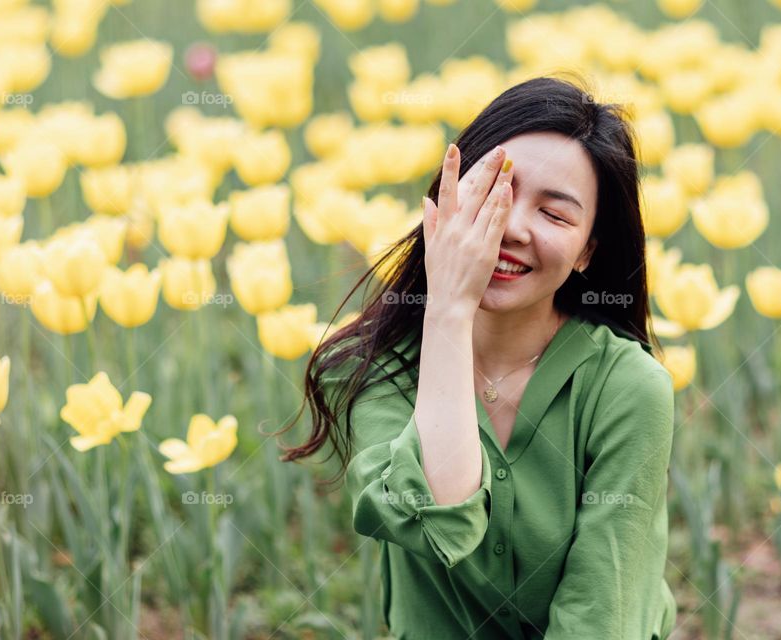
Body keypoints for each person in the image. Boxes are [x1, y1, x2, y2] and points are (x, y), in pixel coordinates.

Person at [278, 76, 677, 639]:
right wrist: (447, 310)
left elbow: (600, 610)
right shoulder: (378, 370)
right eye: (495, 193)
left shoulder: (628, 388)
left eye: (555, 215)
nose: (511, 227)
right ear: (446, 203)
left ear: (589, 249)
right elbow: (441, 518)